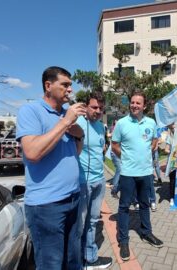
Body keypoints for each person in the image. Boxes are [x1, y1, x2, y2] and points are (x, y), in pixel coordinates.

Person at [16, 66, 87, 269]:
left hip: (73, 198)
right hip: (47, 206)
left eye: (71, 85)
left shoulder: (66, 114)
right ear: (48, 86)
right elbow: (32, 153)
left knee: (73, 260)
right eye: (65, 85)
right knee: (51, 264)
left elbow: (76, 152)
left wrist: (79, 135)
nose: (70, 90)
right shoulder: (30, 111)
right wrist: (65, 123)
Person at [111, 91, 163, 262]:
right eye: (132, 102)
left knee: (145, 204)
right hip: (127, 173)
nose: (134, 105)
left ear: (144, 106)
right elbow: (114, 145)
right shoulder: (121, 123)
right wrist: (126, 158)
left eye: (138, 103)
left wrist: (149, 152)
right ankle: (123, 241)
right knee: (125, 207)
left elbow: (155, 141)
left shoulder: (151, 122)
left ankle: (146, 233)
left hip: (146, 173)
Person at [76, 91, 112, 269]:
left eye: (101, 108)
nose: (97, 111)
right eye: (94, 107)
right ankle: (76, 261)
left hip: (99, 180)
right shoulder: (76, 122)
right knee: (79, 223)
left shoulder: (101, 126)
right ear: (86, 106)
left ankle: (90, 259)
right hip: (82, 182)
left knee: (92, 221)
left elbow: (101, 150)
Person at [109, 119, 122, 198]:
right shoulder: (114, 130)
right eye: (116, 122)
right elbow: (109, 135)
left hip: (119, 153)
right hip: (115, 153)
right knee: (119, 170)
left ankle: (116, 188)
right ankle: (114, 190)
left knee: (122, 171)